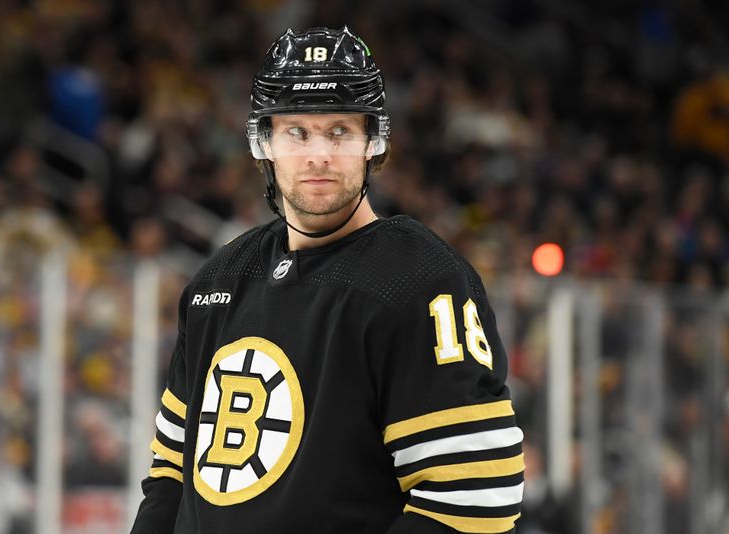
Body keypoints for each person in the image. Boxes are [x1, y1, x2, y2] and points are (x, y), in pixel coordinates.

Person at [130, 26, 524, 534]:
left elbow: (472, 500)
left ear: (373, 142)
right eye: (296, 131)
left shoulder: (423, 280)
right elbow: (169, 477)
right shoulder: (217, 281)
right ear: (264, 142)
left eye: (339, 130)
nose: (318, 154)